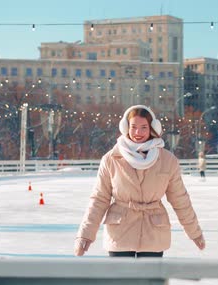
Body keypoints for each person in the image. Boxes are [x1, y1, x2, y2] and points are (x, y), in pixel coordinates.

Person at [74, 105, 206, 258]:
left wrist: (194, 233)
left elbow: (180, 199)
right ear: (126, 128)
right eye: (134, 127)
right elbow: (99, 199)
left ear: (152, 128)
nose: (138, 132)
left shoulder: (167, 160)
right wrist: (85, 235)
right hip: (120, 232)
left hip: (154, 232)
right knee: (122, 281)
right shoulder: (111, 159)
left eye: (144, 127)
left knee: (150, 281)